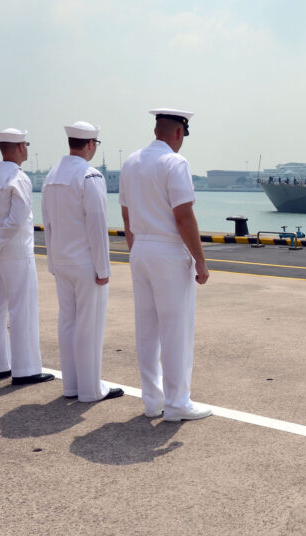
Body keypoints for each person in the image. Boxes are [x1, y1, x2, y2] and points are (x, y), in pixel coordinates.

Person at [119, 108, 210, 421]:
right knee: (176, 329)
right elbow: (183, 216)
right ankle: (177, 404)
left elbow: (126, 214)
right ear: (178, 133)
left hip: (140, 248)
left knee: (147, 329)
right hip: (168, 250)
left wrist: (137, 249)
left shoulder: (130, 162)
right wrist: (200, 259)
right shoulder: (175, 162)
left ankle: (152, 401)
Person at [41, 121, 122, 402]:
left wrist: (52, 261)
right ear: (90, 144)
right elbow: (97, 226)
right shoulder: (89, 176)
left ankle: (71, 386)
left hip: (62, 261)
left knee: (68, 323)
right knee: (90, 325)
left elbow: (47, 224)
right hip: (86, 263)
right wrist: (103, 268)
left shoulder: (51, 176)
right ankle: (90, 390)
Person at [0, 128, 53, 386]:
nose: (26, 149)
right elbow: (16, 219)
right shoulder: (18, 178)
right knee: (22, 310)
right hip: (14, 253)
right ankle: (25, 369)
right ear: (18, 147)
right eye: (25, 144)